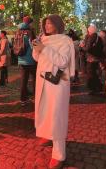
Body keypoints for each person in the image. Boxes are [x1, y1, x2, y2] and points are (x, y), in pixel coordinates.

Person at [32, 14, 75, 169]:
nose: (47, 26)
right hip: (42, 80)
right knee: (43, 111)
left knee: (56, 116)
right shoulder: (44, 39)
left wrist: (44, 48)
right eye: (45, 24)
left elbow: (63, 61)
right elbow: (37, 58)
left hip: (57, 83)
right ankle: (47, 135)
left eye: (50, 23)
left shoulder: (65, 40)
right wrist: (37, 48)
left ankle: (59, 154)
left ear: (57, 24)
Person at [17, 16, 37, 106]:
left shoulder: (18, 32)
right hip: (31, 60)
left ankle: (23, 100)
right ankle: (36, 97)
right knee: (35, 80)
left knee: (23, 81)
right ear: (30, 23)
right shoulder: (30, 32)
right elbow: (34, 46)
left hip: (21, 60)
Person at [81, 25, 104, 94]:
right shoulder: (98, 37)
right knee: (94, 73)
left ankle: (94, 89)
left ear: (89, 31)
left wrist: (82, 46)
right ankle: (98, 87)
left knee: (91, 73)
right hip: (96, 58)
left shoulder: (91, 37)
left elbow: (87, 48)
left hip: (91, 58)